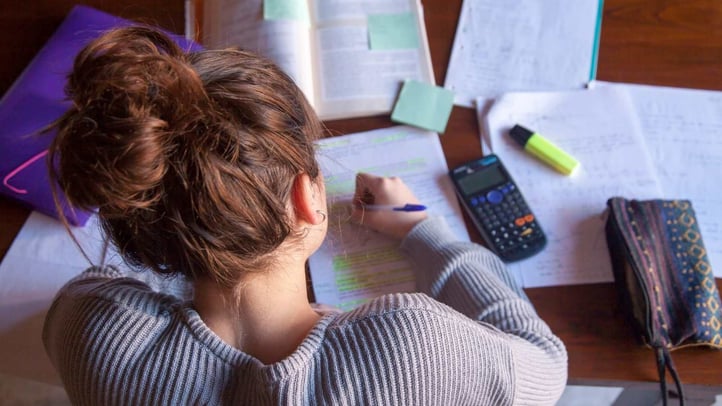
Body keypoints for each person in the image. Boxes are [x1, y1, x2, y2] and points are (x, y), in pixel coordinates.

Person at [42, 26, 567, 405]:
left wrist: (189, 233)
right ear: (307, 199)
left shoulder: (96, 334)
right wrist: (417, 225)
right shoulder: (414, 347)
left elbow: (93, 287)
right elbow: (546, 364)